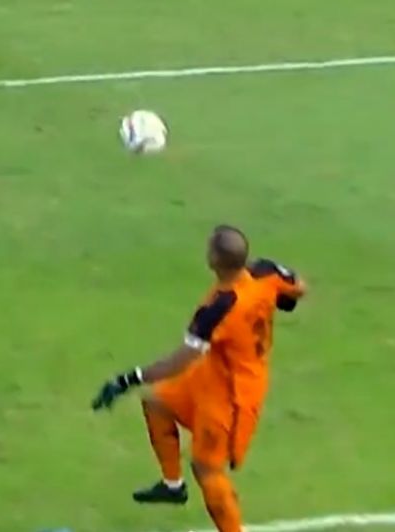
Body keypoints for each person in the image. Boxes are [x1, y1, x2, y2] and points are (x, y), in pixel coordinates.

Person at [91, 224, 307, 532]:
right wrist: (286, 300)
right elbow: (298, 286)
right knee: (155, 402)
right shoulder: (265, 271)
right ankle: (173, 486)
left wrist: (128, 379)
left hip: (234, 393)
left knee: (207, 467)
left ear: (214, 260)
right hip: (212, 375)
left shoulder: (218, 308)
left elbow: (181, 360)